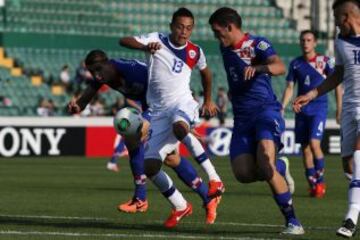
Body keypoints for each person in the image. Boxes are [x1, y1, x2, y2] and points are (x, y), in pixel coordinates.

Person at [68, 49, 220, 225]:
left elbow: (166, 86)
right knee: (171, 159)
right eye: (92, 72)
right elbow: (86, 97)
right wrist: (77, 106)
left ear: (108, 63)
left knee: (133, 135)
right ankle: (202, 200)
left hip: (165, 105)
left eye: (98, 69)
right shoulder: (103, 75)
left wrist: (180, 115)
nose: (97, 75)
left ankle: (140, 198)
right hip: (154, 107)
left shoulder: (131, 70)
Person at [119, 7, 223, 227]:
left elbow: (206, 73)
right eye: (179, 27)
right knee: (149, 167)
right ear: (171, 26)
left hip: (183, 104)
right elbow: (124, 40)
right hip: (158, 113)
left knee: (179, 125)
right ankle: (180, 206)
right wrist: (145, 45)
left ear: (192, 30)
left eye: (188, 28)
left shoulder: (195, 51)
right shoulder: (156, 39)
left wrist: (208, 100)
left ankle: (215, 179)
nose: (183, 32)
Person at [208, 7, 304, 235]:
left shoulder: (258, 44)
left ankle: (293, 221)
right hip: (242, 118)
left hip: (265, 112)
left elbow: (279, 66)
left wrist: (259, 68)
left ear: (230, 27)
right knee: (243, 174)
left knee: (264, 158)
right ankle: (281, 166)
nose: (216, 37)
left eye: (218, 31)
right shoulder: (225, 47)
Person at [294, 0, 360, 237]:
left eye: (335, 19)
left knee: (359, 154)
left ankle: (351, 217)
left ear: (346, 17)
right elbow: (338, 74)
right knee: (348, 166)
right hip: (352, 108)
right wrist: (312, 94)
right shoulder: (341, 42)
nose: (334, 24)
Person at [281, 30, 335, 198]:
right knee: (305, 149)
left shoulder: (324, 61)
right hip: (302, 109)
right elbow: (290, 87)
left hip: (319, 107)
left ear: (315, 43)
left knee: (314, 143)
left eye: (309, 40)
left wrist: (340, 107)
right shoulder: (295, 63)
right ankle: (312, 183)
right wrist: (282, 106)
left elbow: (336, 83)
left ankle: (320, 181)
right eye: (303, 40)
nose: (306, 43)